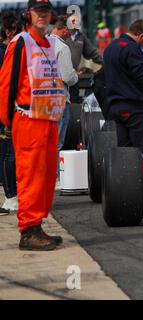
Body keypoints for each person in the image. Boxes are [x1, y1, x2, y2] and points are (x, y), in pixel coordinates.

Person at [0, 0, 66, 250]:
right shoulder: (21, 42)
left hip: (47, 119)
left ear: (51, 16)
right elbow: (6, 83)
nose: (42, 15)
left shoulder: (49, 43)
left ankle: (36, 224)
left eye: (46, 11)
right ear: (28, 15)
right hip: (27, 118)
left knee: (46, 176)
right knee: (30, 176)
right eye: (37, 11)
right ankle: (27, 231)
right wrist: (7, 121)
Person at [104, 20, 143, 175]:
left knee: (125, 153)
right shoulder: (132, 48)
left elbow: (123, 72)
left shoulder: (110, 47)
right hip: (134, 108)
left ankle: (125, 190)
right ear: (141, 36)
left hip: (115, 107)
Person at [0, 11, 21, 216]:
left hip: (11, 109)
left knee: (8, 155)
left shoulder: (11, 50)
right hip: (5, 111)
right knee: (8, 155)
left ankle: (12, 195)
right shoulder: (6, 52)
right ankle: (10, 197)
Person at [49, 15, 79, 152]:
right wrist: (75, 75)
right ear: (66, 29)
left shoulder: (41, 43)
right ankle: (53, 173)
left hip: (41, 100)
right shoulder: (62, 47)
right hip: (59, 99)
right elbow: (68, 77)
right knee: (56, 143)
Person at [65, 13, 103, 103]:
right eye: (73, 21)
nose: (75, 23)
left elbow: (92, 53)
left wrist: (105, 63)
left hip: (74, 77)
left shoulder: (81, 36)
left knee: (74, 102)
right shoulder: (63, 34)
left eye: (77, 21)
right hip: (61, 77)